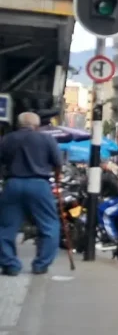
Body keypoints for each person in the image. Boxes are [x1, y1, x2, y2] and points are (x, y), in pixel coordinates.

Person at [0, 112, 63, 275]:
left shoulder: (7, 139)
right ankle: (41, 264)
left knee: (6, 226)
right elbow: (58, 163)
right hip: (39, 185)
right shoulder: (46, 139)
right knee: (49, 225)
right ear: (37, 125)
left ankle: (10, 264)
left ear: (19, 124)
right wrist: (57, 179)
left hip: (13, 183)